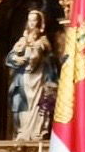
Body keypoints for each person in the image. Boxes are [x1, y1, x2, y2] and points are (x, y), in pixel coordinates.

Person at [6, 8, 58, 140]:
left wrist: (40, 54)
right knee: (21, 103)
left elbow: (51, 59)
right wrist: (16, 59)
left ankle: (37, 131)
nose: (32, 23)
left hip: (39, 78)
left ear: (40, 23)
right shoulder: (22, 40)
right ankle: (23, 131)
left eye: (35, 20)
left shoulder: (44, 41)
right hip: (23, 78)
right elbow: (10, 57)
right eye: (30, 20)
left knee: (39, 103)